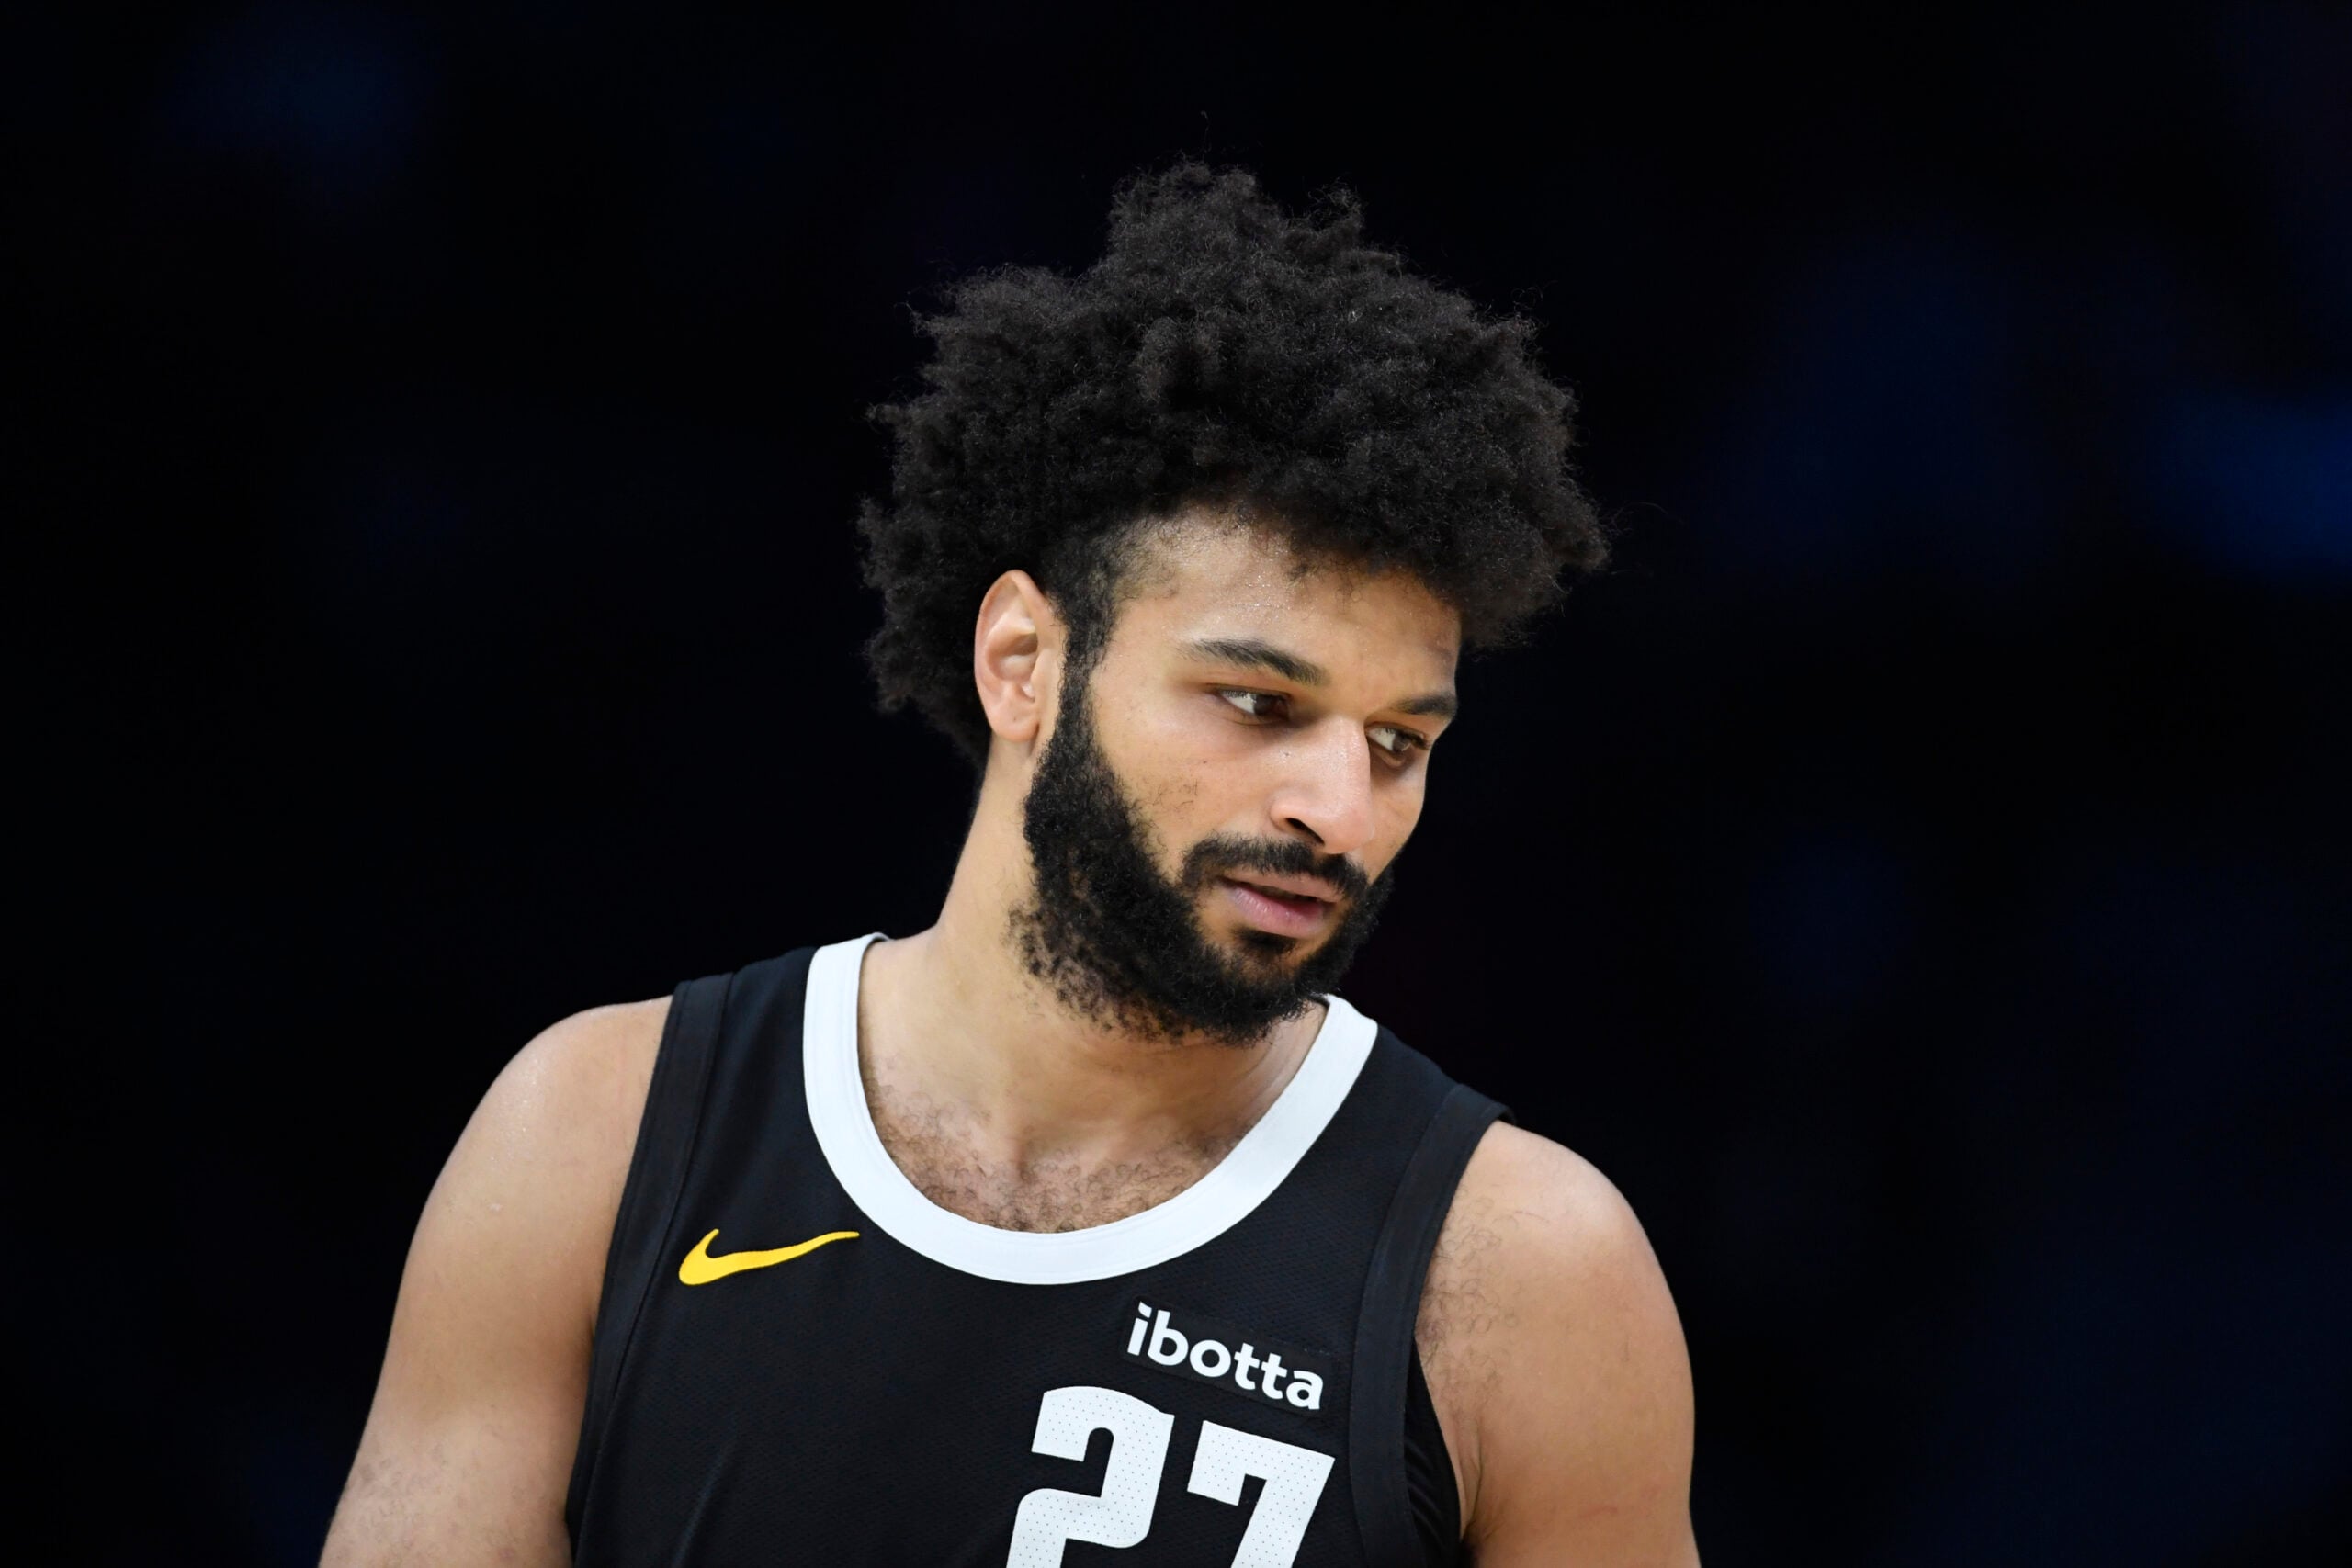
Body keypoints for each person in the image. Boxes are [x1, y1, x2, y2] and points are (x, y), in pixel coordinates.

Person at [322, 163, 1698, 1567]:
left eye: (1400, 742)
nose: (1339, 810)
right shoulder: (596, 1135)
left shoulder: (1525, 1272)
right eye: (1260, 704)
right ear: (1023, 663)